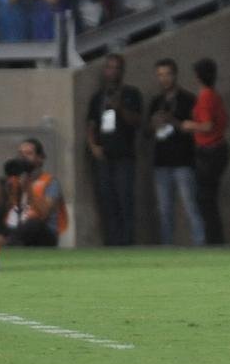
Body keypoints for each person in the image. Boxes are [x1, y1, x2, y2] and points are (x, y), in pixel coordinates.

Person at [85, 53, 142, 246]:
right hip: (103, 156)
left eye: (116, 68)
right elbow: (91, 124)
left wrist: (120, 108)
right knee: (107, 201)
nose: (112, 72)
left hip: (124, 155)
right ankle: (112, 242)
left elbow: (137, 122)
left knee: (124, 199)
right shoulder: (97, 98)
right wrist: (93, 146)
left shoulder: (131, 94)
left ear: (122, 71)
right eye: (109, 67)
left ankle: (127, 242)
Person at [147, 58, 204, 246]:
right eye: (160, 75)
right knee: (164, 210)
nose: (164, 79)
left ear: (175, 75)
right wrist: (154, 124)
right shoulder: (156, 102)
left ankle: (199, 243)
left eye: (167, 74)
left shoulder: (188, 100)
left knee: (190, 206)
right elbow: (148, 132)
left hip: (183, 161)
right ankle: (167, 246)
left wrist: (173, 121)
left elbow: (194, 128)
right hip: (161, 162)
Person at [181, 58, 229, 245]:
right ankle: (214, 238)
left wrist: (190, 125)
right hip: (217, 149)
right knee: (208, 198)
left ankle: (213, 240)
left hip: (209, 151)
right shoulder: (215, 95)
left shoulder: (206, 96)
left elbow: (207, 125)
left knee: (206, 199)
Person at [0, 138, 67, 247]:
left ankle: (8, 243)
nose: (23, 157)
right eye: (20, 153)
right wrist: (3, 185)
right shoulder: (14, 180)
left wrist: (28, 187)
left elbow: (44, 213)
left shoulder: (50, 182)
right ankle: (1, 240)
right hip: (14, 226)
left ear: (40, 158)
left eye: (28, 154)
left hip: (41, 232)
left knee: (33, 223)